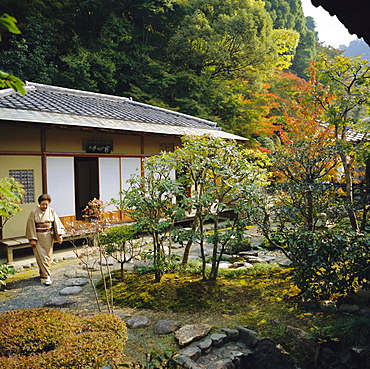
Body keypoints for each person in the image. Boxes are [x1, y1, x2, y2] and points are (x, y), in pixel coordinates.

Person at [25, 194, 65, 285]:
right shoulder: (34, 212)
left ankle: (43, 273)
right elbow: (30, 225)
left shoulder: (51, 211)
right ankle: (47, 276)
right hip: (38, 236)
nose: (45, 206)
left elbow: (57, 223)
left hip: (48, 236)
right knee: (40, 257)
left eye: (46, 204)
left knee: (48, 256)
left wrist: (59, 235)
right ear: (39, 203)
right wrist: (32, 238)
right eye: (43, 204)